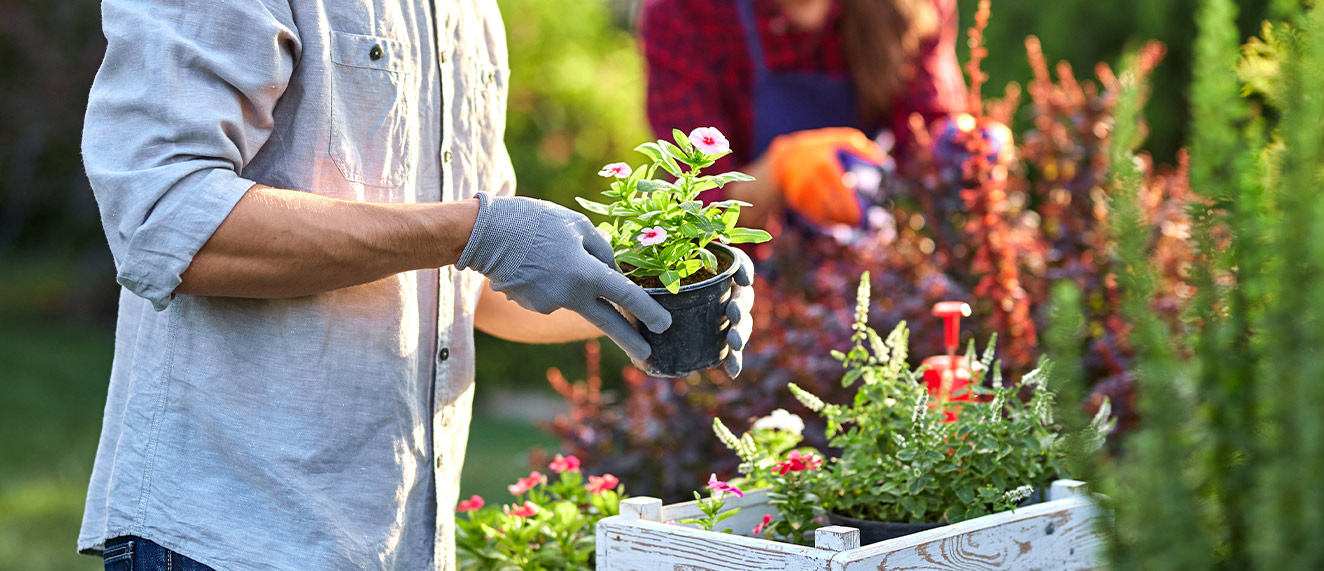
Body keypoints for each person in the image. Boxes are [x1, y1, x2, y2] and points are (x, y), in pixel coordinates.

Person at [77, 1, 753, 570]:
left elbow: (479, 287)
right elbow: (164, 218)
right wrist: (472, 232)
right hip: (233, 534)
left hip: (402, 541)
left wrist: (659, 302)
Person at [641, 0, 966, 230]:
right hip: (758, 276)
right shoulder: (683, 15)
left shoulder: (912, 6)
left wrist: (964, 148)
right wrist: (779, 170)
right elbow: (701, 202)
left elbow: (927, 135)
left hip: (877, 240)